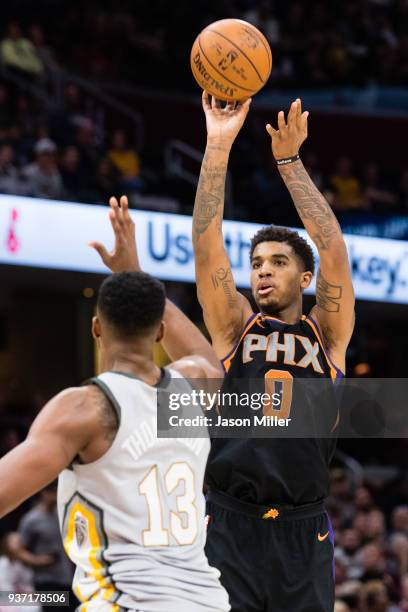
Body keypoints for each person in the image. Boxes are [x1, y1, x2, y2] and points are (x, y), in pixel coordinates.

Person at [0, 196, 229, 612]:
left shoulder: (85, 408)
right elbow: (210, 360)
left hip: (126, 601)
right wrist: (134, 272)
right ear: (160, 332)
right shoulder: (193, 386)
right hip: (207, 603)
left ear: (95, 328)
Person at [192, 93, 355, 612]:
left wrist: (289, 163)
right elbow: (206, 244)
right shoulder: (236, 325)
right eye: (257, 262)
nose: (262, 270)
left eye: (278, 262)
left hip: (302, 528)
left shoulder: (326, 334)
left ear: (304, 278)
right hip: (228, 516)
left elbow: (333, 250)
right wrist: (218, 145)